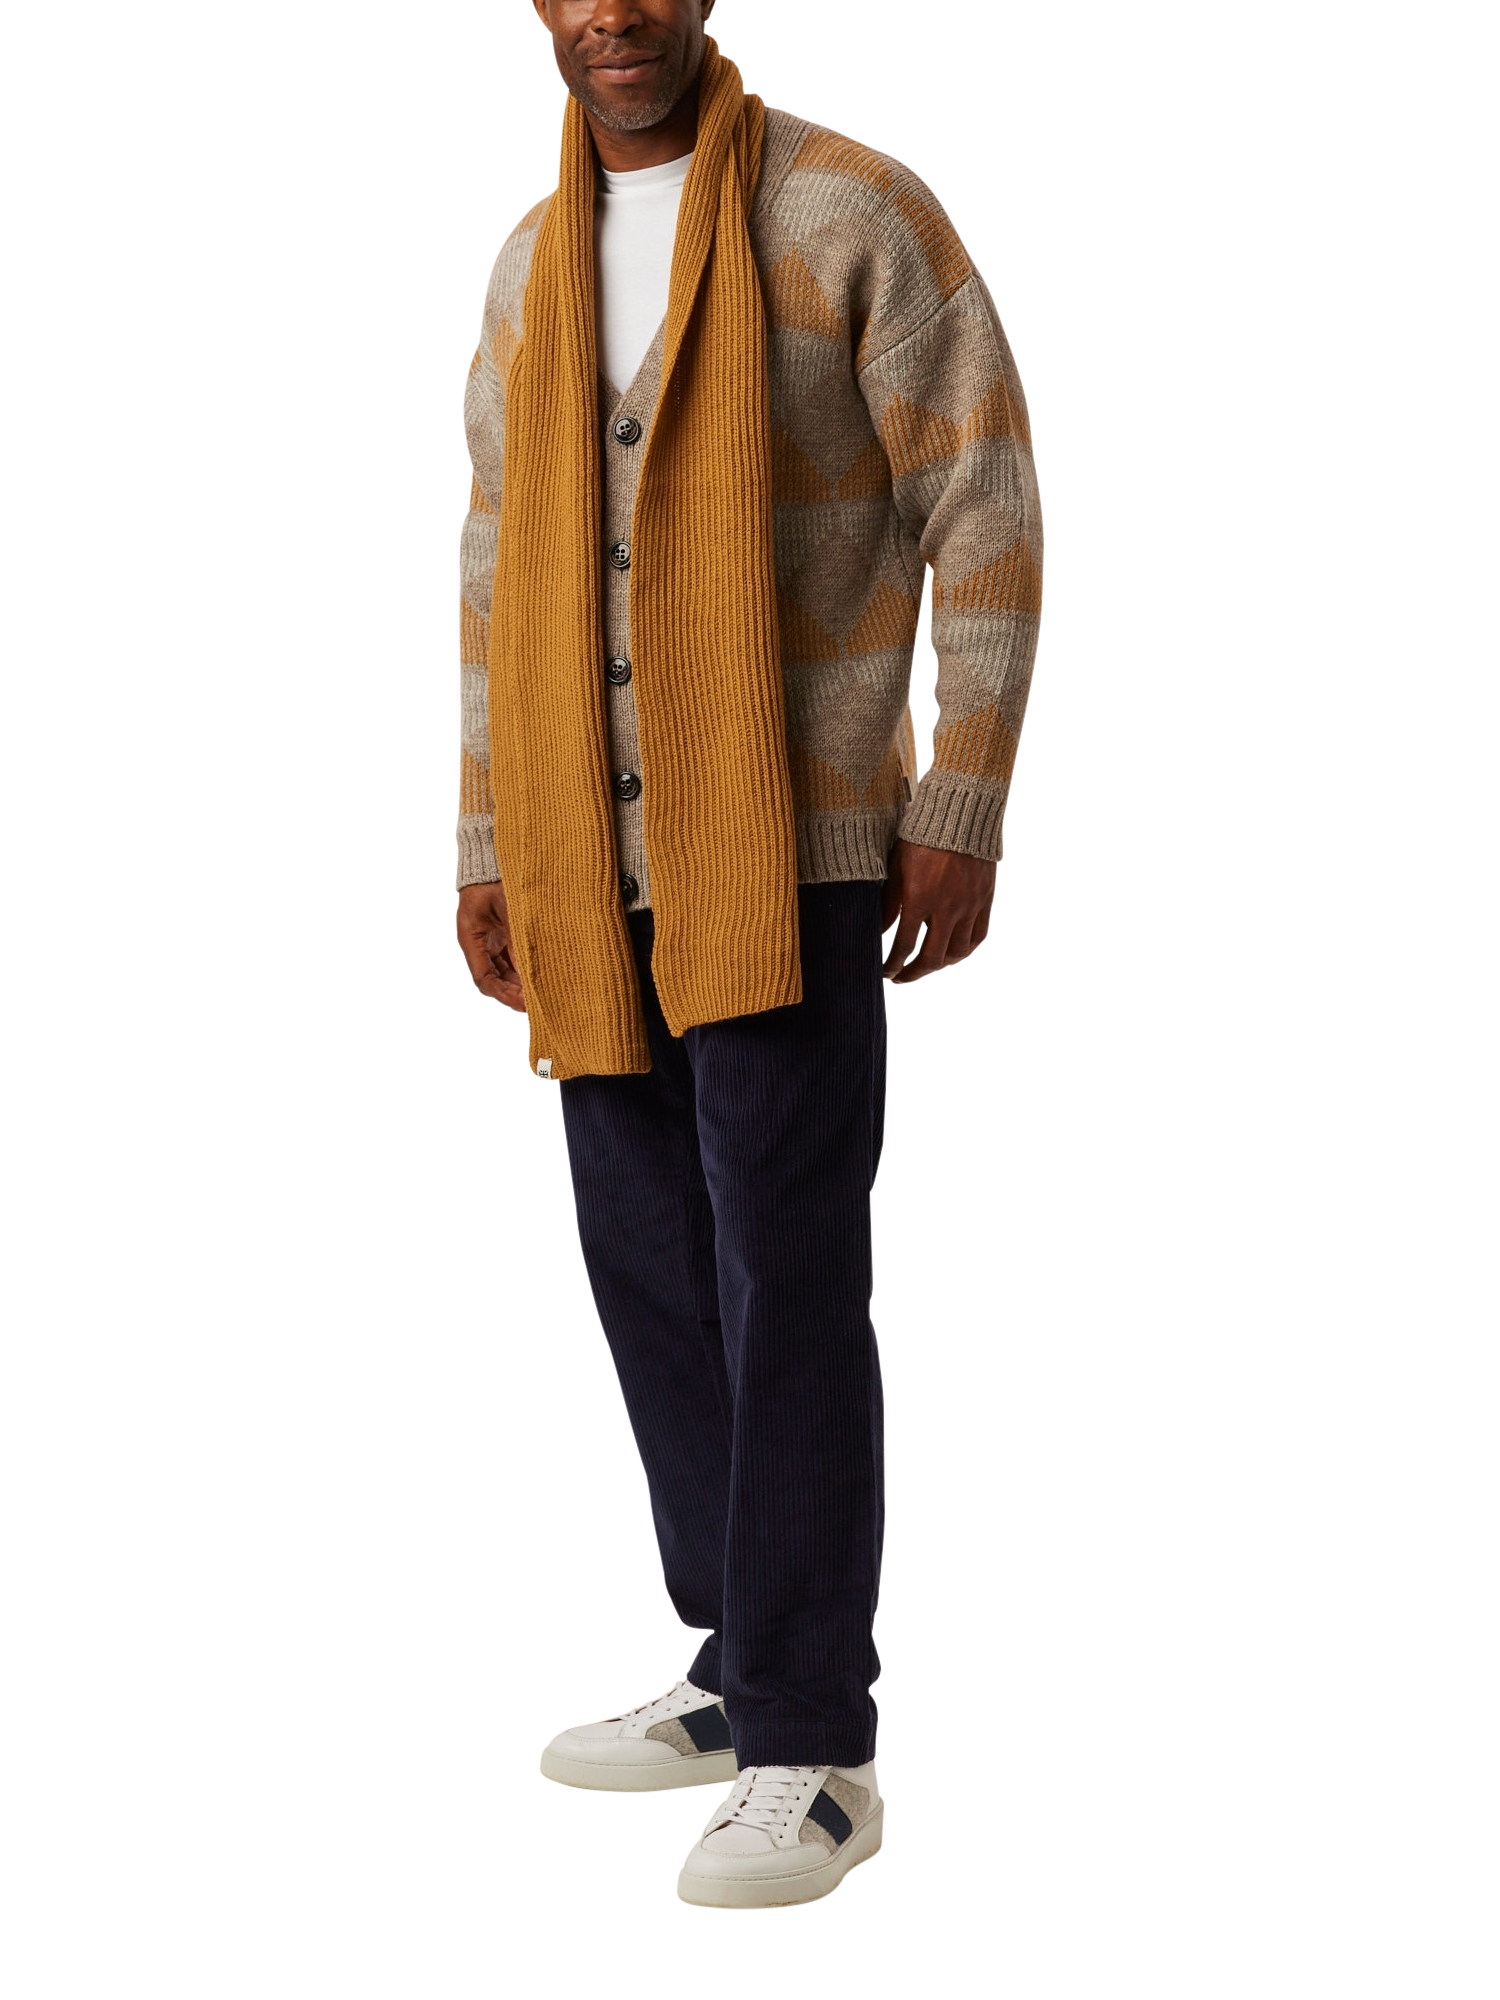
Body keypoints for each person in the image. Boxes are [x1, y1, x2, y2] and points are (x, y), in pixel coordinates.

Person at [454, 0, 1041, 1910]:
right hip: (586, 851)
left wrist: (959, 798)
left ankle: (816, 1741)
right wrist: (489, 840)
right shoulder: (533, 265)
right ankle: (739, 1662)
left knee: (784, 1275)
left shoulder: (849, 212)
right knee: (649, 1270)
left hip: (788, 843)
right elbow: (494, 563)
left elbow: (984, 494)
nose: (613, 10)